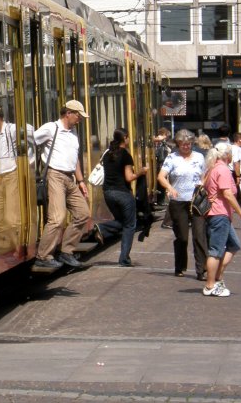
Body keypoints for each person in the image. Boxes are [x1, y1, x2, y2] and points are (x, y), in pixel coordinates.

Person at [33, 100, 91, 270]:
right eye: (78, 115)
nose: (79, 119)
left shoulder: (74, 133)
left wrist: (80, 181)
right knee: (57, 218)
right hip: (55, 175)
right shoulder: (51, 128)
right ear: (68, 113)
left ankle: (66, 252)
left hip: (70, 178)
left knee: (83, 213)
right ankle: (43, 256)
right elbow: (30, 142)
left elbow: (75, 160)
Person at [90, 127, 148, 267]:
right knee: (130, 225)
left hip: (108, 194)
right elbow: (129, 177)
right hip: (123, 194)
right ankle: (124, 259)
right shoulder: (125, 155)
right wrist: (142, 172)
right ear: (125, 138)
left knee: (122, 221)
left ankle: (102, 229)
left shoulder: (108, 154)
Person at [157, 129, 207, 280]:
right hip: (178, 202)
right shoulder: (172, 158)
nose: (186, 146)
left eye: (189, 144)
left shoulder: (199, 157)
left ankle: (201, 270)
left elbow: (205, 175)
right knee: (182, 237)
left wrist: (203, 185)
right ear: (178, 144)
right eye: (183, 144)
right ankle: (180, 266)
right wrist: (170, 188)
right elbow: (161, 177)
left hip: (196, 201)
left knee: (199, 236)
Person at [202, 142, 241, 297]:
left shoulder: (212, 168)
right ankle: (210, 285)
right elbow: (228, 194)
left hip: (218, 213)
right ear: (227, 155)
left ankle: (217, 277)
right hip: (219, 214)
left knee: (234, 245)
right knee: (215, 250)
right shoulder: (222, 169)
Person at [0, 104, 20, 255]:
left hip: (11, 175)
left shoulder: (10, 129)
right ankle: (4, 246)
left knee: (11, 216)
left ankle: (16, 246)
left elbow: (27, 131)